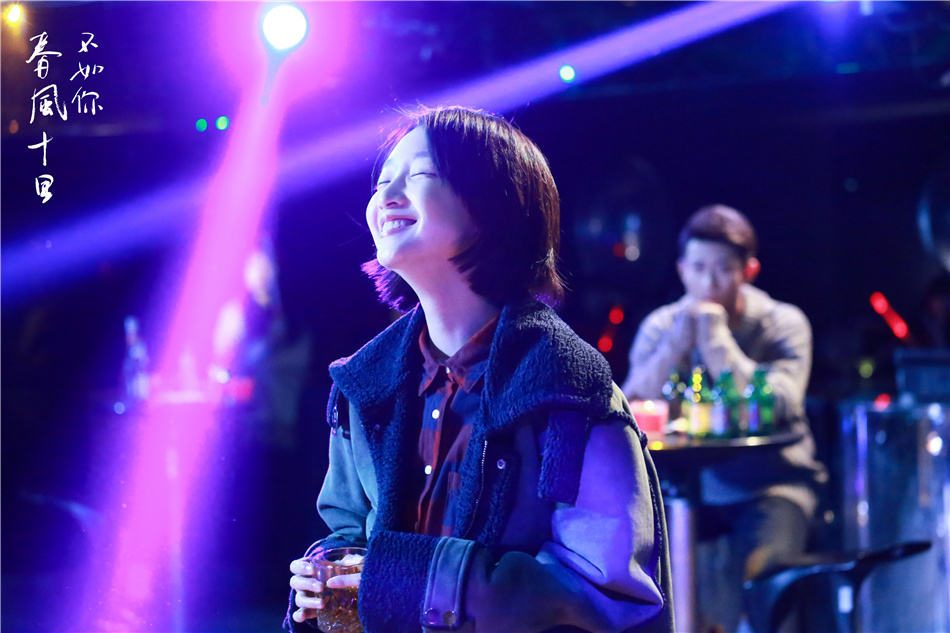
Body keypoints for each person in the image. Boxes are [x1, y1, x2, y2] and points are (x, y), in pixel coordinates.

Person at [284, 106, 674, 633]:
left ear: (494, 204)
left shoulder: (570, 392)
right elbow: (349, 530)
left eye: (420, 174)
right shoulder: (364, 387)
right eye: (381, 182)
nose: (386, 196)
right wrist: (328, 573)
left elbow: (604, 594)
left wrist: (409, 580)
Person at [621, 204, 827, 632]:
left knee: (767, 589)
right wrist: (676, 344)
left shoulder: (783, 323)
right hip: (684, 487)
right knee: (639, 578)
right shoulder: (663, 325)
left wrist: (717, 342)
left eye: (724, 270)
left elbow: (781, 403)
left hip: (771, 484)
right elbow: (631, 404)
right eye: (698, 268)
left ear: (748, 271)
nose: (709, 283)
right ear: (681, 269)